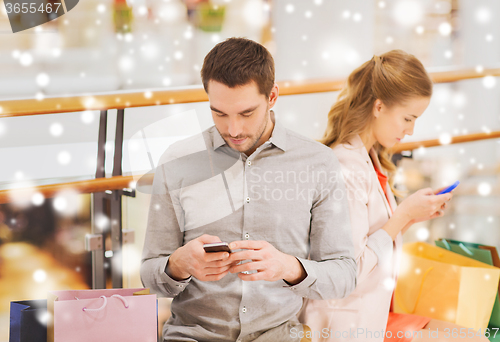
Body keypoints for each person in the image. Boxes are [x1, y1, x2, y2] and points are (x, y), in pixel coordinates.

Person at [140, 37, 357, 342]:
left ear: (272, 97)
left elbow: (344, 275)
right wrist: (178, 265)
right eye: (219, 113)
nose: (233, 130)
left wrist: (288, 267)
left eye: (246, 113)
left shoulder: (318, 162)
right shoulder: (178, 162)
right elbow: (150, 274)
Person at [298, 50, 488, 342]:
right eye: (407, 118)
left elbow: (373, 237)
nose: (410, 131)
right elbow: (350, 271)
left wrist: (411, 216)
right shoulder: (347, 168)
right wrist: (404, 214)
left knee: (475, 336)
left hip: (374, 311)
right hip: (346, 324)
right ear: (378, 106)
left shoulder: (370, 157)